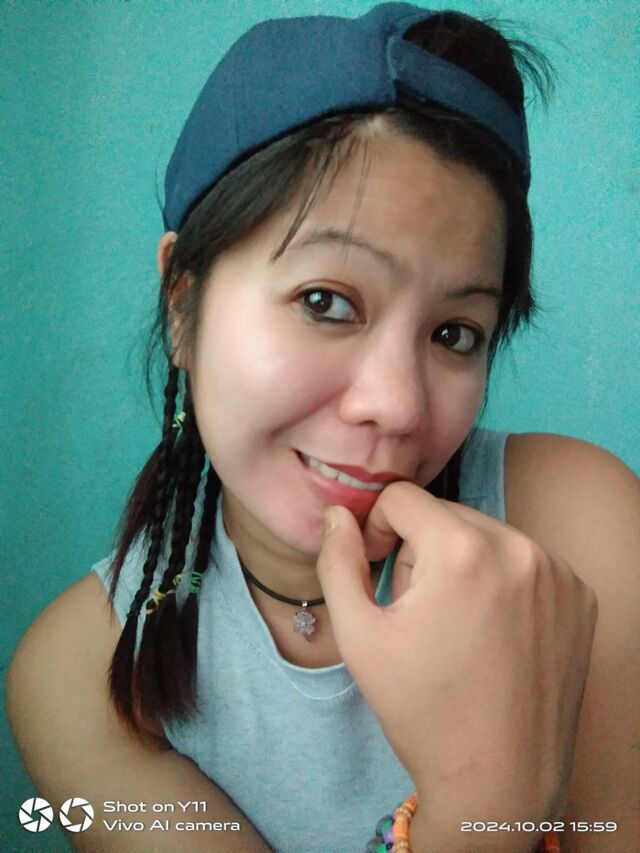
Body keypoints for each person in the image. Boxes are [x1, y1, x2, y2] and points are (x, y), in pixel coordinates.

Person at [6, 3, 639, 852]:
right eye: (326, 301)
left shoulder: (576, 528)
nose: (399, 406)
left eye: (455, 333)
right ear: (183, 306)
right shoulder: (86, 673)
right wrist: (486, 798)